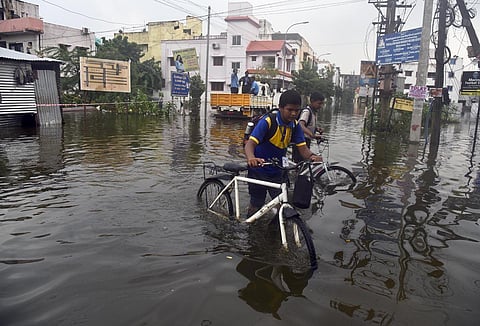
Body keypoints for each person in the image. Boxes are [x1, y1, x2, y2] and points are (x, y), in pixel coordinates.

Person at [244, 90, 322, 216]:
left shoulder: (295, 126)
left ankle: (276, 230)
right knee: (256, 204)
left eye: (297, 110)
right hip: (258, 170)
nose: (293, 113)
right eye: (289, 109)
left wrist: (313, 156)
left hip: (277, 171)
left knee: (281, 204)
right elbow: (250, 144)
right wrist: (252, 158)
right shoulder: (268, 122)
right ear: (280, 108)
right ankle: (250, 229)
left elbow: (303, 149)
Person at [292, 92, 325, 163]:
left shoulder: (313, 112)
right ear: (312, 101)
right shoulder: (307, 112)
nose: (321, 106)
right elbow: (301, 125)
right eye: (319, 103)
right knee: (299, 162)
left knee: (305, 162)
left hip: (306, 141)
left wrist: (317, 129)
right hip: (301, 140)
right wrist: (312, 135)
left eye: (322, 104)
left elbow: (309, 125)